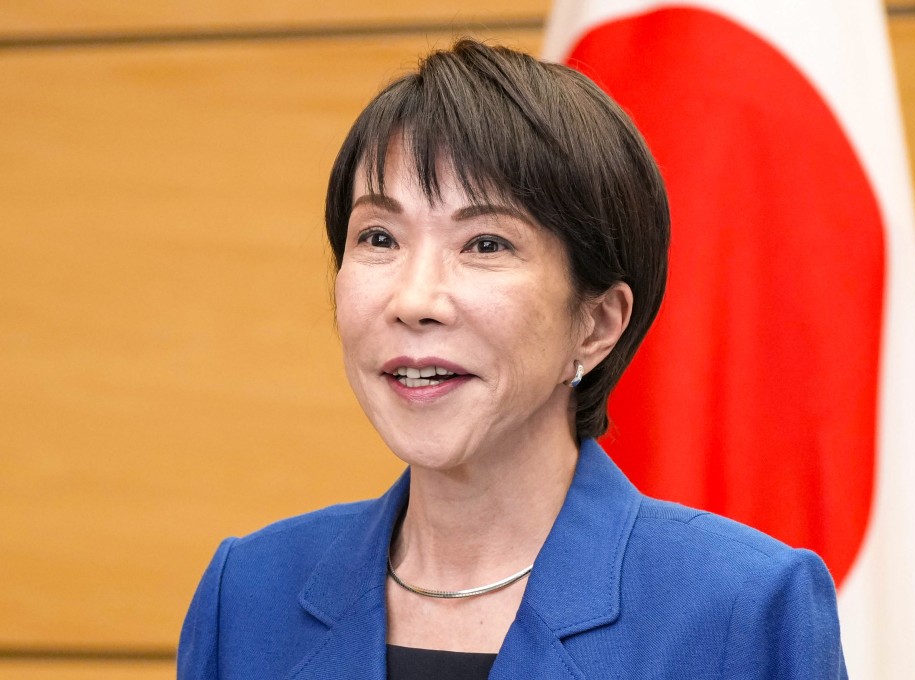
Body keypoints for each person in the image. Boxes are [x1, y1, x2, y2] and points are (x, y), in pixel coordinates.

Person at [178, 39, 848, 679]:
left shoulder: (737, 610)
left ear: (596, 324)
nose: (414, 300)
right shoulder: (249, 596)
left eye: (485, 244)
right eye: (379, 237)